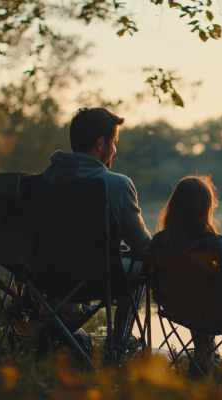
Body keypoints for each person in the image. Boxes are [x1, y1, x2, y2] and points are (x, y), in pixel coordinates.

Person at [42, 107, 151, 363]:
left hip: (48, 277)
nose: (114, 150)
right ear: (100, 143)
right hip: (101, 277)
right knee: (142, 263)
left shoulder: (43, 183)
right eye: (113, 143)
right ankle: (117, 347)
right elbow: (142, 246)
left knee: (65, 259)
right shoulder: (116, 184)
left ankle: (63, 332)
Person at [149, 174, 222, 377]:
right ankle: (207, 360)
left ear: (174, 206)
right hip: (209, 309)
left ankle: (203, 359)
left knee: (198, 297)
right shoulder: (215, 244)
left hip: (172, 305)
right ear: (206, 208)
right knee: (206, 299)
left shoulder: (159, 242)